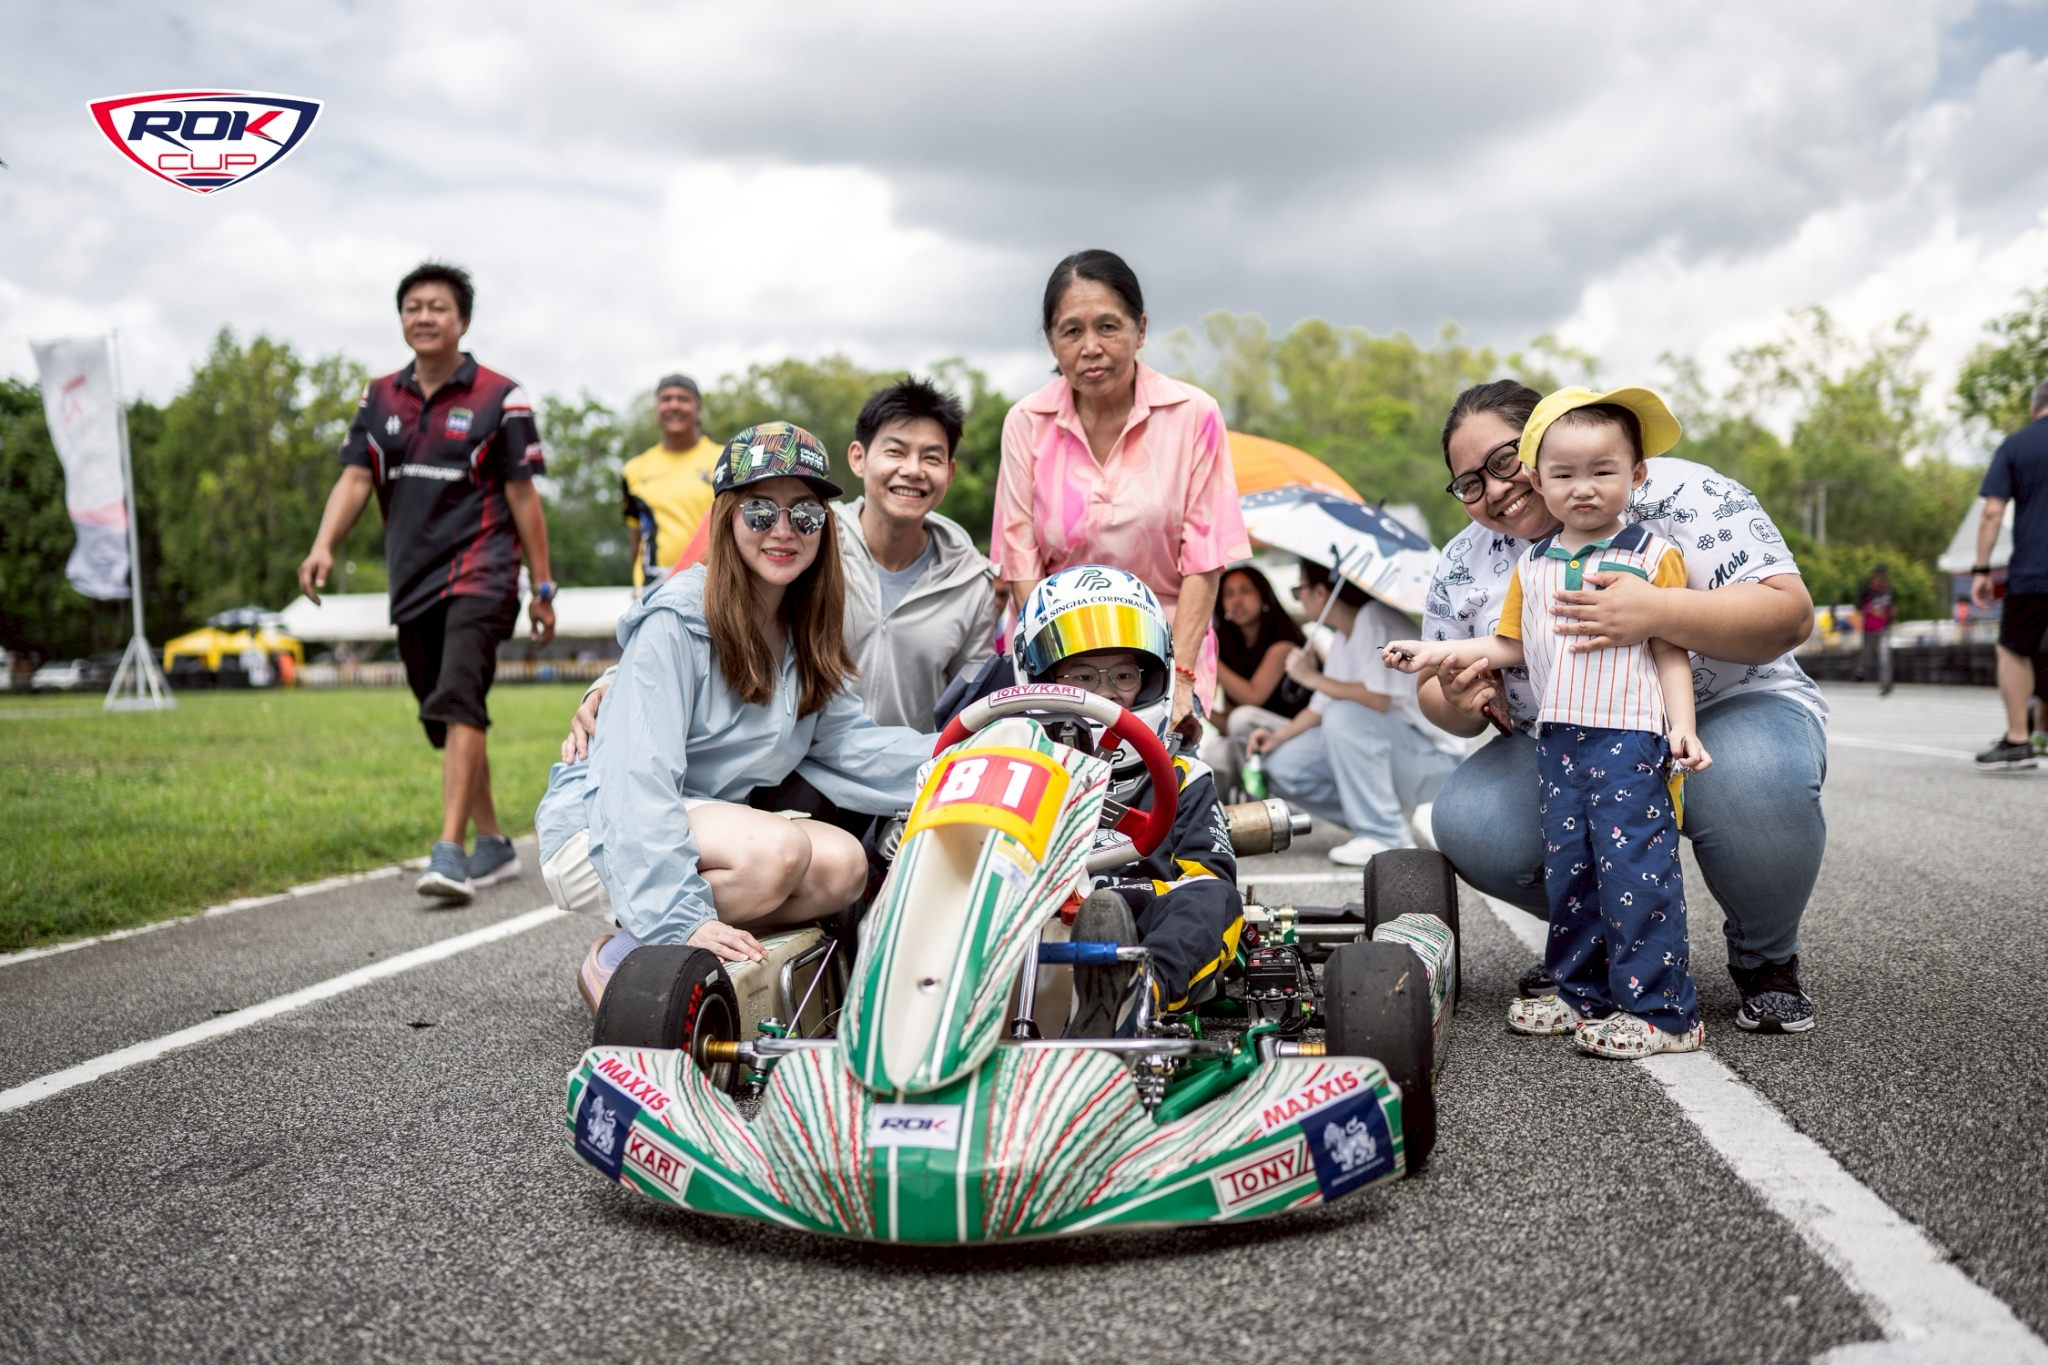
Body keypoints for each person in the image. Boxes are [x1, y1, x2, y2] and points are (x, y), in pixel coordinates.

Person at [1419, 380, 1826, 1035]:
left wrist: (1657, 609)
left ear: (1544, 437)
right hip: (1569, 737)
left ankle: (1765, 958)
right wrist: (1460, 699)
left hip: (1722, 706)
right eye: (1470, 482)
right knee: (1472, 818)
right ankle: (1602, 947)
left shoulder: (1683, 492)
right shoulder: (1466, 562)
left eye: (1502, 460)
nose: (1494, 490)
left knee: (1753, 781)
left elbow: (1789, 614)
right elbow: (1436, 692)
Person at [534, 422, 934, 1012]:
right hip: (604, 822)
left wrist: (971, 756)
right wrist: (679, 916)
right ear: (726, 518)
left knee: (844, 867)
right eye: (760, 511)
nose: (783, 530)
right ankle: (629, 953)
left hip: (708, 825)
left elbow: (854, 747)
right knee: (775, 854)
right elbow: (636, 780)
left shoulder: (801, 629)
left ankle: (687, 940)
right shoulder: (677, 619)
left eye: (805, 514)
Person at [1387, 388, 1712, 1059]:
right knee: (1573, 870)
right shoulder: (1533, 565)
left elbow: (1669, 649)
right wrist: (1434, 654)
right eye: (1565, 474)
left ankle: (1665, 1012)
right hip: (1560, 743)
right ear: (1543, 479)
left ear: (1636, 475)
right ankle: (1579, 992)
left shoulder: (1651, 556)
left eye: (1602, 472)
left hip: (1628, 738)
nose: (1583, 488)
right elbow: (1507, 645)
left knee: (1636, 869)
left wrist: (1681, 727)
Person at [298, 261, 555, 903]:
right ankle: (494, 842)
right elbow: (356, 476)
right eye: (412, 307)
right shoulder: (379, 396)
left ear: (462, 320)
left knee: (460, 697)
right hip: (412, 578)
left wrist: (543, 587)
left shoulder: (502, 396)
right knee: (443, 715)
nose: (423, 317)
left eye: (437, 307)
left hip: (483, 571)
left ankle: (449, 850)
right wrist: (324, 544)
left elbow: (524, 497)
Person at [561, 377, 1000, 747]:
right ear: (858, 458)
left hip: (882, 765)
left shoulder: (970, 581)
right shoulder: (798, 541)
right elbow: (688, 606)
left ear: (950, 472)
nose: (913, 470)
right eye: (896, 451)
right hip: (790, 762)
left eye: (931, 457)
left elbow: (972, 702)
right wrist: (614, 680)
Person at [993, 250, 1252, 724]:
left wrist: (1180, 681)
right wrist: (1051, 674)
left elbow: (1204, 562)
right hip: (1057, 663)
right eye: (1072, 331)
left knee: (1165, 768)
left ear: (1141, 329)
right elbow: (1021, 562)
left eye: (1108, 327)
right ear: (1051, 341)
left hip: (1161, 662)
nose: (1090, 346)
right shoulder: (1025, 423)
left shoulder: (1193, 414)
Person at [1013, 566, 1243, 1033]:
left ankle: (1132, 997)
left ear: (1153, 678)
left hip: (1141, 933)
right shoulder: (1016, 768)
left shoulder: (1183, 777)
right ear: (1041, 678)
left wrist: (1115, 896)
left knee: (1215, 898)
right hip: (1025, 922)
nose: (1105, 693)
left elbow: (1207, 877)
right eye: (1082, 676)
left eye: (1123, 674)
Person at [1248, 560, 1463, 865]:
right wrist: (1276, 738)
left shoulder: (1375, 621)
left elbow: (1377, 700)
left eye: (1299, 590)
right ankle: (1384, 817)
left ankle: (1386, 835)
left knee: (1343, 716)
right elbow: (1320, 706)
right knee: (1284, 766)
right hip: (1395, 751)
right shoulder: (1342, 636)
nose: (1299, 598)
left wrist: (1310, 677)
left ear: (1320, 593)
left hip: (1433, 759)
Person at [1970, 378, 2048, 770]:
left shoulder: (2017, 445)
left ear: (2034, 408)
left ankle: (2018, 739)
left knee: (2014, 649)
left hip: (2035, 571)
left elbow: (1992, 513)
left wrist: (1982, 569)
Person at [621, 374, 721, 596]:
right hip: (653, 587)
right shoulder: (633, 469)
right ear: (656, 407)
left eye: (683, 399)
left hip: (711, 582)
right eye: (666, 399)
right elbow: (635, 533)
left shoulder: (725, 459)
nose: (674, 405)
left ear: (699, 408)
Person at [1211, 564, 1311, 737]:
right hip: (1254, 739)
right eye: (1228, 594)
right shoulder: (1229, 648)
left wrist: (1209, 658)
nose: (1237, 600)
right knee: (1220, 750)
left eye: (1245, 591)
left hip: (1296, 732)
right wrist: (1193, 706)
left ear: (1263, 595)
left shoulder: (1283, 639)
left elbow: (1253, 698)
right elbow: (1230, 727)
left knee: (1241, 718)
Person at [1856, 563, 1895, 695]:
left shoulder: (1889, 590)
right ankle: (1861, 670)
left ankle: (1886, 683)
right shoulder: (1866, 589)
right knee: (1867, 654)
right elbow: (1858, 606)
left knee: (1885, 656)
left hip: (1884, 628)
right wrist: (1871, 609)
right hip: (1869, 628)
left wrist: (1892, 612)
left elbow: (1891, 606)